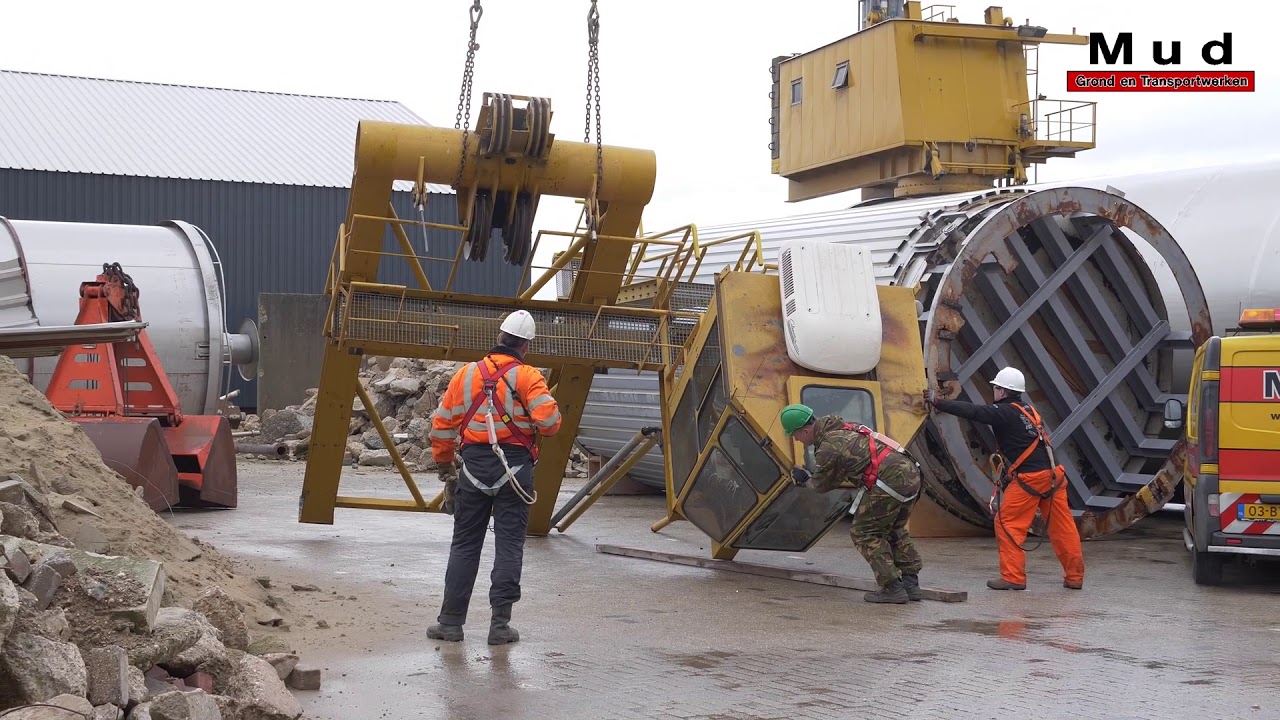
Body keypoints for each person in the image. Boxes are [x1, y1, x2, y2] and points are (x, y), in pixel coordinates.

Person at [426, 309, 562, 644]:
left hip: (473, 469)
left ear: (499, 337)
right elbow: (550, 424)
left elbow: (442, 427)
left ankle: (451, 623)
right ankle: (499, 626)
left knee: (465, 545)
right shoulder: (529, 377)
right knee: (509, 546)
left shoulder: (465, 376)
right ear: (526, 346)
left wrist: (446, 468)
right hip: (515, 471)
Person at [924, 366, 1085, 591]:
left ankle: (1013, 577)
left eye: (995, 388)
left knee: (1007, 524)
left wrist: (938, 402)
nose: (994, 392)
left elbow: (976, 412)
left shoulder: (1004, 411)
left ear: (1002, 391)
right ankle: (1074, 577)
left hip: (1031, 479)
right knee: (1063, 528)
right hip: (1054, 475)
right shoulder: (1029, 410)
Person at [780, 404, 924, 604]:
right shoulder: (845, 428)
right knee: (894, 528)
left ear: (805, 430)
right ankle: (910, 583)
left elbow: (822, 486)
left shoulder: (828, 446)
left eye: (795, 435)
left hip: (889, 481)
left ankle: (892, 587)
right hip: (910, 473)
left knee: (864, 533)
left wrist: (805, 479)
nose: (796, 439)